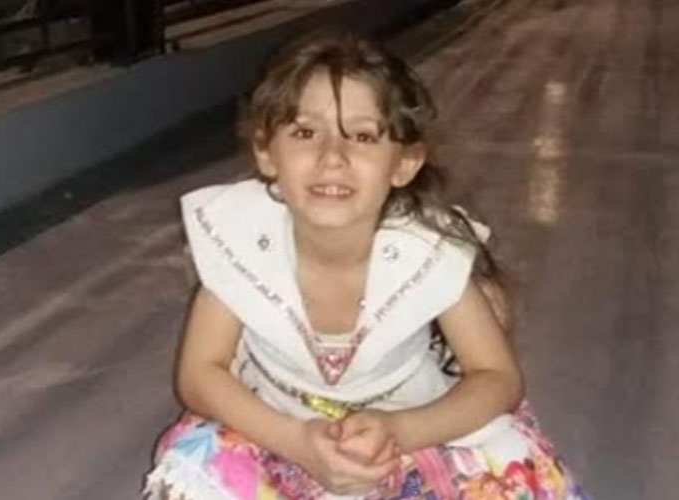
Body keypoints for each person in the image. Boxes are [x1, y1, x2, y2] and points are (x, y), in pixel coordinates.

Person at [143, 29, 589, 500]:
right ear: (265, 151)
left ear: (405, 163)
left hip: (407, 434)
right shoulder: (239, 243)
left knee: (509, 462)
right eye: (305, 132)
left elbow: (498, 379)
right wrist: (297, 441)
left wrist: (399, 430)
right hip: (275, 431)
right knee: (192, 464)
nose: (332, 157)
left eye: (362, 136)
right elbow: (200, 374)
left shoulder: (427, 253)